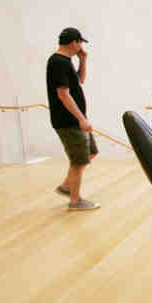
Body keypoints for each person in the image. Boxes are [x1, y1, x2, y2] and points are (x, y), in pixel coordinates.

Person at [46, 27, 101, 211]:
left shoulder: (65, 62)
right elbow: (63, 94)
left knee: (90, 152)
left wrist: (83, 60)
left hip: (76, 119)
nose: (81, 47)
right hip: (68, 121)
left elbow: (80, 80)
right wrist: (81, 119)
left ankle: (66, 187)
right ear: (74, 43)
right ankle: (75, 201)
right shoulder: (58, 62)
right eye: (80, 43)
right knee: (79, 161)